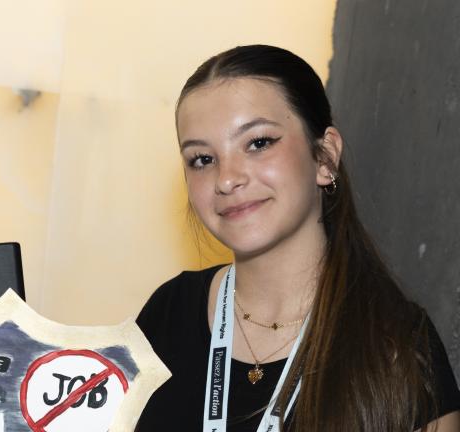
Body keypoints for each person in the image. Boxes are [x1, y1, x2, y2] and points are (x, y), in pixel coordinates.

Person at [135, 45, 460, 431]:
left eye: (258, 143)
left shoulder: (398, 345)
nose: (226, 179)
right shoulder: (166, 314)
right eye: (202, 159)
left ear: (324, 157)